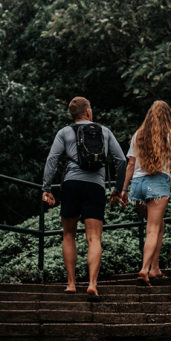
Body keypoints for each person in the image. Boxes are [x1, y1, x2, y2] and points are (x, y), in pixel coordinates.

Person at [41, 96, 127, 297]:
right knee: (94, 238)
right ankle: (92, 284)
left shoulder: (64, 132)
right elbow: (121, 160)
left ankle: (71, 283)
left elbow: (52, 160)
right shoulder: (104, 131)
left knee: (69, 234)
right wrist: (118, 188)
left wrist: (46, 188)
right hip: (95, 187)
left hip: (71, 184)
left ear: (72, 115)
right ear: (88, 112)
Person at [118, 100, 171, 285]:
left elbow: (131, 164)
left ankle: (155, 269)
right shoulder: (170, 135)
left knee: (158, 226)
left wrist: (124, 189)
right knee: (152, 228)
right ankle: (144, 269)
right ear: (167, 116)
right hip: (157, 184)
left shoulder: (138, 135)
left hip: (137, 186)